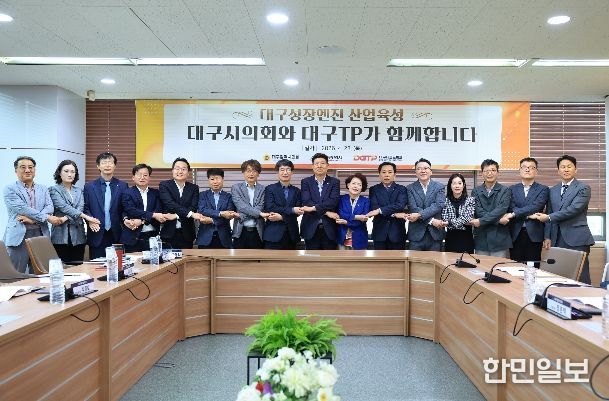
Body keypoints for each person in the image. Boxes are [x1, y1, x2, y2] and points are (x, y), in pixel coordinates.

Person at [530, 155, 595, 284]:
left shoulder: (583, 188)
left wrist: (549, 217)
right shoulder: (553, 190)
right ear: (558, 171)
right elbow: (549, 211)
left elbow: (574, 209)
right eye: (563, 167)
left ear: (575, 169)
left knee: (580, 275)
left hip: (576, 238)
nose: (566, 169)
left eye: (569, 166)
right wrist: (547, 236)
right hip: (556, 238)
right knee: (559, 275)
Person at [3, 156, 59, 273]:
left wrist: (34, 220)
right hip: (19, 236)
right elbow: (22, 208)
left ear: (34, 169)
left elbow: (50, 207)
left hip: (40, 234)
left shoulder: (43, 188)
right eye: (23, 167)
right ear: (16, 170)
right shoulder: (10, 189)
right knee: (16, 274)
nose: (27, 170)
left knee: (41, 274)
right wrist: (46, 217)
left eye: (30, 167)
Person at [49, 160, 99, 263]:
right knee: (62, 268)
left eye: (73, 172)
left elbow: (80, 208)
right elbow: (64, 207)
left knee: (78, 266)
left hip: (78, 235)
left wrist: (66, 217)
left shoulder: (79, 190)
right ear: (59, 173)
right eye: (66, 171)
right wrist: (86, 217)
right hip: (60, 234)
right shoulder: (53, 190)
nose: (70, 174)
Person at [83, 152, 129, 259]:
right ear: (98, 166)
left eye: (110, 162)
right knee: (96, 266)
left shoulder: (123, 186)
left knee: (118, 265)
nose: (107, 165)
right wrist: (90, 220)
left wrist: (125, 218)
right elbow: (85, 207)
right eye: (104, 163)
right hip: (96, 232)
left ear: (115, 166)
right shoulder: (89, 186)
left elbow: (126, 207)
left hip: (116, 233)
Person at [503, 157, 549, 262]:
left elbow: (536, 206)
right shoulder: (512, 189)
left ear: (536, 171)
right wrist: (529, 215)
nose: (527, 169)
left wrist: (514, 214)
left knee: (533, 266)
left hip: (534, 234)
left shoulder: (543, 189)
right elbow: (511, 207)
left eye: (531, 167)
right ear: (520, 170)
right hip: (515, 233)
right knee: (515, 265)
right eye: (524, 167)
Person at [470, 159, 512, 258]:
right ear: (482, 173)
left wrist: (481, 221)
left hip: (500, 238)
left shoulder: (505, 190)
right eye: (486, 171)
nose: (490, 173)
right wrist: (498, 221)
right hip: (481, 238)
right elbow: (478, 211)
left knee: (499, 267)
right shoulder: (475, 191)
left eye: (493, 170)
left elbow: (501, 210)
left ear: (498, 172)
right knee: (481, 266)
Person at [159, 157, 204, 249]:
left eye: (183, 169)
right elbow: (170, 204)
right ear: (172, 170)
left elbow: (193, 207)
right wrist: (190, 214)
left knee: (187, 258)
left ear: (188, 173)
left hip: (187, 233)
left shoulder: (194, 188)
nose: (180, 171)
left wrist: (176, 216)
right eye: (177, 168)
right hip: (168, 232)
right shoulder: (164, 185)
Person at [120, 164, 166, 253]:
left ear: (149, 178)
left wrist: (142, 221)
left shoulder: (156, 193)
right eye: (139, 174)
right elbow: (131, 211)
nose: (142, 177)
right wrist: (152, 215)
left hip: (152, 236)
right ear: (133, 177)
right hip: (132, 236)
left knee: (154, 261)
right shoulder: (127, 193)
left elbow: (158, 211)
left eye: (145, 175)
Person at [300, 153, 340, 250]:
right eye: (316, 163)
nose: (319, 166)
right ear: (312, 166)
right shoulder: (306, 182)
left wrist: (313, 208)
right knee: (311, 258)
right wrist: (327, 212)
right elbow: (306, 201)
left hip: (330, 228)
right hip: (310, 227)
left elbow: (333, 201)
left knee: (329, 258)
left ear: (327, 166)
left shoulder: (334, 182)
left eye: (322, 163)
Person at [405, 158, 445, 251]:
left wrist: (419, 215)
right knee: (414, 260)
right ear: (415, 173)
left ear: (431, 172)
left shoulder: (439, 186)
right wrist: (431, 221)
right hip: (416, 235)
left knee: (435, 260)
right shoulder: (410, 188)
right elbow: (413, 208)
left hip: (435, 234)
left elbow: (438, 205)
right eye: (419, 169)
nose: (423, 171)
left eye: (426, 168)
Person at [263, 159, 303, 250]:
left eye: (288, 169)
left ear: (292, 172)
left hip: (291, 235)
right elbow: (270, 208)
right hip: (273, 235)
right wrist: (291, 210)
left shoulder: (297, 191)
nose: (285, 172)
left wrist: (282, 217)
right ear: (277, 172)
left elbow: (298, 212)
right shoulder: (270, 189)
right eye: (282, 170)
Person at [366, 162, 408, 250]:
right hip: (379, 232)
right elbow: (374, 207)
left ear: (395, 175)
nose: (387, 175)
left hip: (397, 232)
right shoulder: (374, 189)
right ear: (379, 175)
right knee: (379, 258)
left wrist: (380, 210)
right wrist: (394, 214)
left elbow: (400, 205)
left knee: (398, 258)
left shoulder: (402, 189)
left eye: (390, 172)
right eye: (384, 172)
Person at [196, 168, 238, 249]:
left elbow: (229, 215)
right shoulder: (202, 195)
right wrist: (220, 213)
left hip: (224, 237)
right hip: (205, 237)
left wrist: (212, 220)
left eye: (217, 179)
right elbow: (202, 210)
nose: (215, 182)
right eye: (212, 179)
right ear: (208, 180)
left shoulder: (229, 197)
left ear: (222, 179)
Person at [231, 159, 268, 249]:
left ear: (258, 174)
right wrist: (259, 214)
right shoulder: (236, 188)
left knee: (258, 257)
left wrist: (241, 215)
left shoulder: (263, 189)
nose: (251, 174)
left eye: (254, 171)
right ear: (243, 173)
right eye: (248, 171)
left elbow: (260, 206)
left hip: (258, 231)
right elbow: (241, 206)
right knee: (239, 257)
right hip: (240, 231)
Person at [440, 173, 475, 253]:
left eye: (459, 183)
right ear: (450, 185)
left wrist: (449, 223)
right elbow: (444, 218)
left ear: (464, 185)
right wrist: (462, 223)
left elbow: (466, 218)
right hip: (450, 238)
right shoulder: (445, 201)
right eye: (454, 183)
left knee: (467, 260)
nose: (457, 186)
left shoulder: (471, 200)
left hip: (466, 239)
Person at [336, 173, 370, 250]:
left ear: (362, 187)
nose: (356, 186)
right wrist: (356, 217)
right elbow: (340, 214)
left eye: (359, 184)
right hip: (342, 237)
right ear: (348, 185)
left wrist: (346, 222)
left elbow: (363, 220)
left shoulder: (366, 201)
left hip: (359, 238)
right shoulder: (341, 199)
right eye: (353, 183)